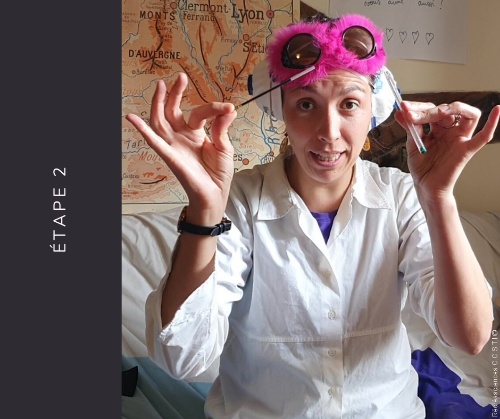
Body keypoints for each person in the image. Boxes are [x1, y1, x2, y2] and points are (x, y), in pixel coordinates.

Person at [125, 12, 499, 418]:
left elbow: (470, 338)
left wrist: (439, 196)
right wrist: (204, 209)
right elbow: (182, 360)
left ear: (373, 112)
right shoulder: (241, 202)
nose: (329, 132)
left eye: (350, 104)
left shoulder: (402, 198)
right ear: (281, 110)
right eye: (306, 104)